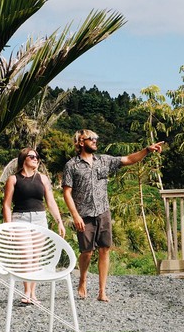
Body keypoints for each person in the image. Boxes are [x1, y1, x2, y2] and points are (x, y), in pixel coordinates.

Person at [62, 129, 164, 302]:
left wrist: (147, 150)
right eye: (91, 138)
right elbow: (66, 192)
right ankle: (83, 279)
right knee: (87, 252)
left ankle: (102, 291)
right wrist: (75, 215)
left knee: (105, 249)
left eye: (96, 138)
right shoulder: (71, 165)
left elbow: (128, 159)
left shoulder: (104, 160)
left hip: (103, 211)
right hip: (84, 214)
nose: (95, 141)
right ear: (80, 142)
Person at [2, 147, 66, 305]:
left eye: (37, 156)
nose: (36, 159)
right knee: (26, 255)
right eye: (32, 156)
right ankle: (26, 291)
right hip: (20, 219)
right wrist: (8, 226)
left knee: (36, 257)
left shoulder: (42, 178)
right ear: (24, 159)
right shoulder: (13, 179)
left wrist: (59, 221)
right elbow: (7, 204)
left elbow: (50, 202)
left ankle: (32, 293)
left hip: (40, 219)